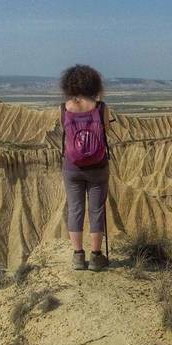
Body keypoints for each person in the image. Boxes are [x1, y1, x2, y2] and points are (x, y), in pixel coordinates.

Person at [59, 64, 113, 271]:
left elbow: (64, 132)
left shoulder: (64, 108)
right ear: (93, 83)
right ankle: (97, 257)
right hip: (98, 167)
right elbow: (106, 130)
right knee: (97, 209)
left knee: (75, 209)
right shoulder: (100, 107)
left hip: (72, 167)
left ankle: (78, 257)